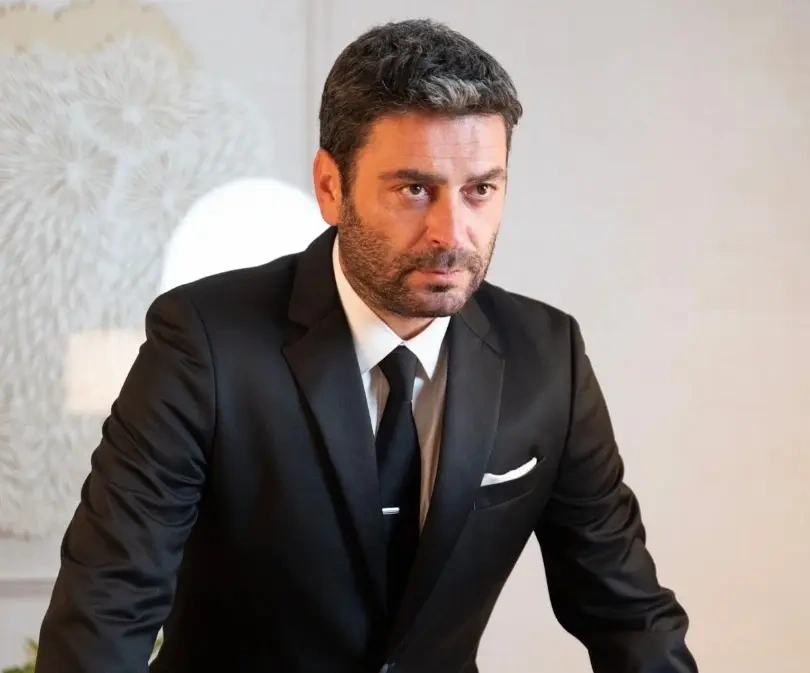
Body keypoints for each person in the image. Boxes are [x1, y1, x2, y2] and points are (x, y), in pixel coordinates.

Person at [35, 18, 698, 673]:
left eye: (480, 190)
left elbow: (628, 614)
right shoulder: (203, 342)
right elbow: (109, 604)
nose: (451, 233)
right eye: (414, 189)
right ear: (331, 187)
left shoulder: (549, 357)